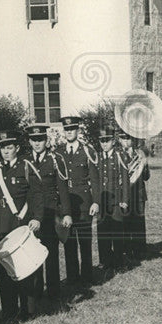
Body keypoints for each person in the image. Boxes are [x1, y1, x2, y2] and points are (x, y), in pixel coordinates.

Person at [0, 130, 41, 322]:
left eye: (9, 148)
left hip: (19, 224)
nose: (6, 152)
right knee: (4, 272)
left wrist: (37, 218)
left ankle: (29, 310)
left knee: (24, 268)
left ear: (17, 148)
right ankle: (9, 311)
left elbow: (36, 195)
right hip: (0, 225)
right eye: (3, 148)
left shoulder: (26, 166)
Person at [24, 124, 70, 300]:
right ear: (29, 141)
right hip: (33, 214)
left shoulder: (55, 160)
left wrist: (66, 213)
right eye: (34, 140)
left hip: (51, 213)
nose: (37, 144)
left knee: (51, 254)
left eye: (40, 140)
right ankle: (37, 292)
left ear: (46, 140)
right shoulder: (25, 161)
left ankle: (53, 292)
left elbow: (63, 189)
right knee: (34, 253)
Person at [55, 117, 101, 287]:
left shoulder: (87, 151)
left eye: (72, 129)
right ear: (63, 131)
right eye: (66, 130)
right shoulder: (58, 152)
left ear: (77, 131)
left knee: (85, 240)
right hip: (65, 202)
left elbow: (95, 180)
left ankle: (87, 276)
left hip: (84, 203)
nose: (69, 132)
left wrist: (96, 202)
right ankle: (73, 277)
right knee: (69, 241)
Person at [94, 127, 126, 275]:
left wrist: (124, 199)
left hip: (116, 200)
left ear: (113, 141)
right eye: (102, 141)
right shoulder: (97, 157)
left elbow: (125, 179)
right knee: (103, 231)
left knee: (117, 231)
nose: (104, 144)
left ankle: (119, 261)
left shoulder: (119, 156)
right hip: (101, 200)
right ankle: (105, 260)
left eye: (107, 140)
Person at [117, 130, 150, 263]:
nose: (125, 141)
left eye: (128, 139)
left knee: (139, 223)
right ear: (119, 140)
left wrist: (146, 165)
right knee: (125, 222)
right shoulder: (117, 155)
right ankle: (126, 250)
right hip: (124, 194)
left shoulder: (140, 154)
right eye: (123, 139)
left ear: (132, 140)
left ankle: (140, 250)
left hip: (139, 194)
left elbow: (146, 177)